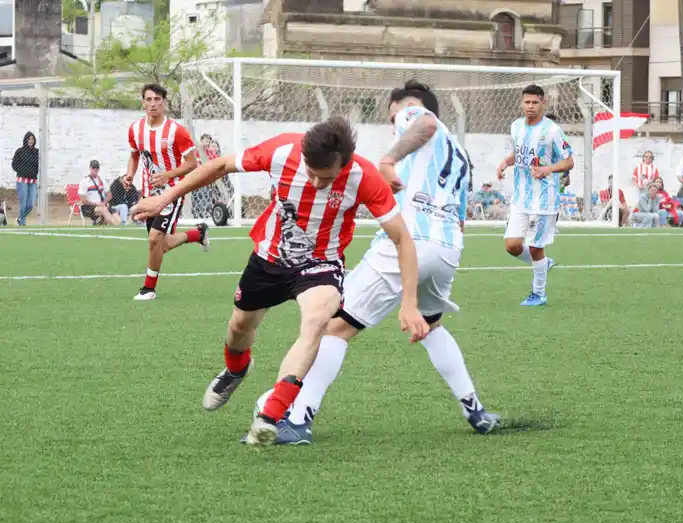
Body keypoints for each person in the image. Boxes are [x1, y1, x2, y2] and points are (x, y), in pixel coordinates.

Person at [132, 116, 429, 446]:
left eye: (326, 178)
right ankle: (236, 370)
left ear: (344, 164)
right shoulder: (282, 150)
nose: (316, 183)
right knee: (239, 329)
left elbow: (403, 239)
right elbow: (220, 166)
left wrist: (410, 302)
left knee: (317, 322)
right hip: (269, 259)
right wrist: (164, 198)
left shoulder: (364, 178)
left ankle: (270, 417)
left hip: (321, 263)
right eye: (311, 173)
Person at [265, 81, 500, 445]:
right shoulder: (457, 155)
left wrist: (388, 159)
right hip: (448, 247)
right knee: (432, 324)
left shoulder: (415, 115)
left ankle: (298, 420)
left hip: (410, 240)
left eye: (393, 118)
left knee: (333, 327)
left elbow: (424, 125)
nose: (395, 126)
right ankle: (475, 409)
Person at [125, 83, 209, 301]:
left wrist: (168, 175)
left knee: (154, 240)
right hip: (148, 194)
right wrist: (129, 175)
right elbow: (135, 155)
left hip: (172, 193)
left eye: (157, 100)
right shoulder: (135, 129)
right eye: (149, 99)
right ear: (142, 102)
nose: (153, 104)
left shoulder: (176, 131)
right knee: (160, 245)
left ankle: (148, 288)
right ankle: (197, 234)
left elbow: (192, 164)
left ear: (163, 102)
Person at [496, 84, 574, 307]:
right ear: (522, 103)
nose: (530, 106)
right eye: (527, 102)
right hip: (521, 197)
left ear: (543, 103)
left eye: (535, 102)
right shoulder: (516, 126)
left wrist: (548, 169)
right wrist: (505, 162)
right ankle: (543, 263)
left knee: (535, 247)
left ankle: (538, 293)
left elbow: (569, 161)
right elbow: (520, 153)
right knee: (511, 245)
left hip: (544, 198)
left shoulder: (552, 131)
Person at [78, 160, 123, 226]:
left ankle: (122, 226)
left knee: (113, 211)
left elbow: (109, 195)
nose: (95, 169)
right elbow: (83, 200)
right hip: (89, 207)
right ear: (90, 168)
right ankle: (116, 227)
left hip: (101, 205)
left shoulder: (102, 180)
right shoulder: (85, 182)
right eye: (93, 167)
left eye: (97, 167)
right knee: (104, 209)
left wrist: (103, 203)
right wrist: (96, 204)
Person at [11, 131, 39, 226]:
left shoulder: (37, 152)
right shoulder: (20, 151)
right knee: (23, 204)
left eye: (32, 139)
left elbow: (39, 165)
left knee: (30, 204)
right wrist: (23, 171)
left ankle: (19, 218)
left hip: (33, 181)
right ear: (25, 140)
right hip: (22, 181)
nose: (31, 141)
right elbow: (14, 164)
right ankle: (22, 224)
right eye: (29, 139)